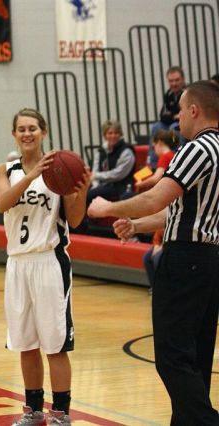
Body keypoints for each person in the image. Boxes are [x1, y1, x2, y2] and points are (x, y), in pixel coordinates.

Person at [89, 80, 219, 425]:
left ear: (194, 110)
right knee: (195, 355)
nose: (178, 118)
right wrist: (135, 225)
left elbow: (154, 197)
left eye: (181, 110)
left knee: (172, 356)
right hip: (209, 259)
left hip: (186, 259)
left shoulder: (196, 149)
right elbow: (178, 211)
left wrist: (107, 208)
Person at [0, 108, 90, 426]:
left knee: (54, 345)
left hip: (49, 261)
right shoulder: (5, 170)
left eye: (32, 128)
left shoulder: (59, 168)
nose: (27, 134)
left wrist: (82, 191)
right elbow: (2, 203)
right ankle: (33, 411)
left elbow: (74, 219)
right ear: (14, 134)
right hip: (17, 263)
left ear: (43, 132)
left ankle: (61, 413)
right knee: (25, 343)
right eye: (21, 129)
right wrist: (31, 176)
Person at [87, 120, 135, 206]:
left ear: (120, 134)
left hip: (120, 186)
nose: (113, 136)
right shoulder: (100, 151)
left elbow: (118, 174)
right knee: (84, 193)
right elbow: (95, 170)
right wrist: (95, 185)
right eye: (110, 133)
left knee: (90, 195)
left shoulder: (126, 151)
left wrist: (96, 176)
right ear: (105, 135)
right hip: (104, 185)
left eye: (116, 133)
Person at [147, 66, 186, 169]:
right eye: (171, 81)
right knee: (156, 126)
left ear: (183, 79)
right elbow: (162, 116)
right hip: (171, 122)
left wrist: (171, 115)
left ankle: (174, 161)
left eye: (177, 80)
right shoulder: (168, 94)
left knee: (173, 128)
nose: (174, 83)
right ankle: (153, 164)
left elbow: (183, 115)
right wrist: (174, 115)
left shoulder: (187, 93)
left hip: (183, 124)